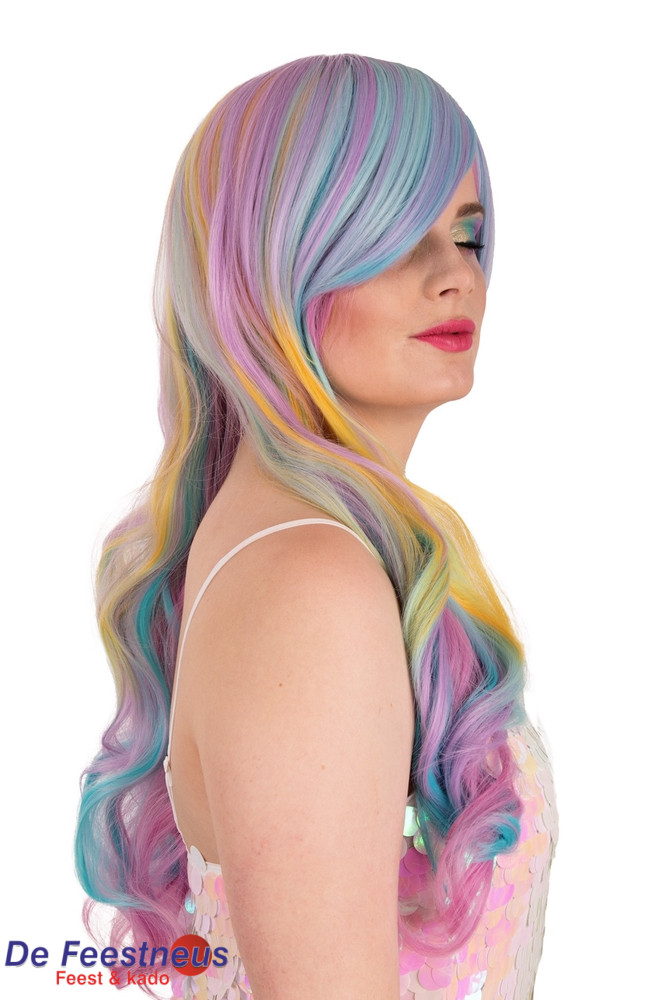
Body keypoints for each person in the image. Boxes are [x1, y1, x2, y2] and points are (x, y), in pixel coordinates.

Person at [76, 54, 557, 1000]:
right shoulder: (310, 581)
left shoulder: (305, 546)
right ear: (272, 267)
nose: (455, 277)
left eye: (467, 235)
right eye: (391, 239)